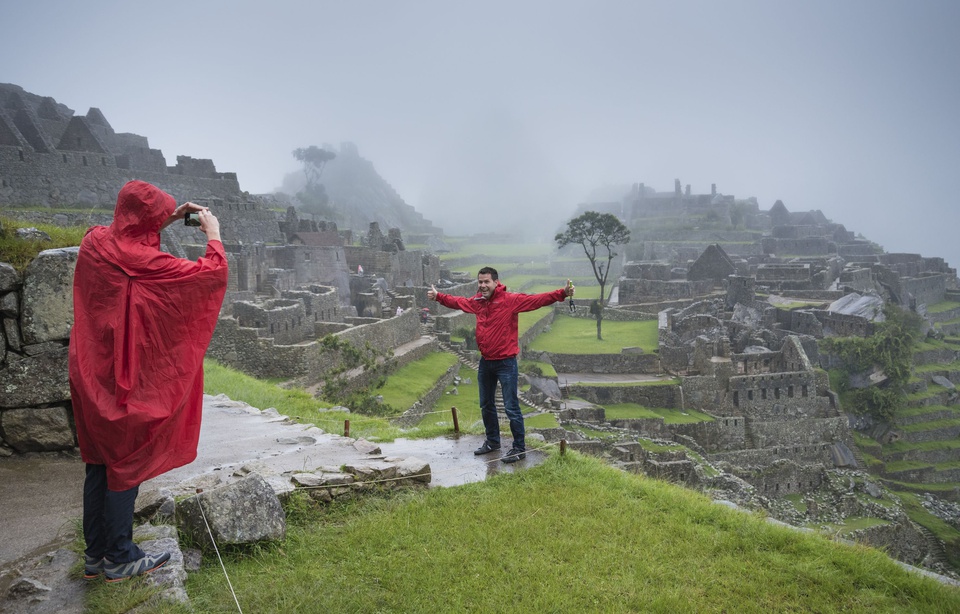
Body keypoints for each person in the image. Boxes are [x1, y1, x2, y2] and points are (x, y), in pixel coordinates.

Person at [69, 180, 228, 582]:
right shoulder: (152, 265)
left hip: (91, 371)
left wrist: (168, 219)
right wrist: (213, 235)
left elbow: (129, 237)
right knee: (125, 462)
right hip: (127, 380)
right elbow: (210, 275)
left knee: (99, 461)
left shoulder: (94, 244)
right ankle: (120, 556)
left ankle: (95, 556)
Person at [428, 267, 574, 463]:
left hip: (506, 363)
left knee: (511, 406)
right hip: (486, 361)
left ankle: (519, 448)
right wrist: (438, 296)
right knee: (486, 404)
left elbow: (537, 300)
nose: (482, 285)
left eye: (486, 282)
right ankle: (492, 442)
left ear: (496, 282)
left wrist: (562, 293)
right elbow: (458, 302)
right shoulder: (478, 302)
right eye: (480, 282)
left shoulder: (510, 300)